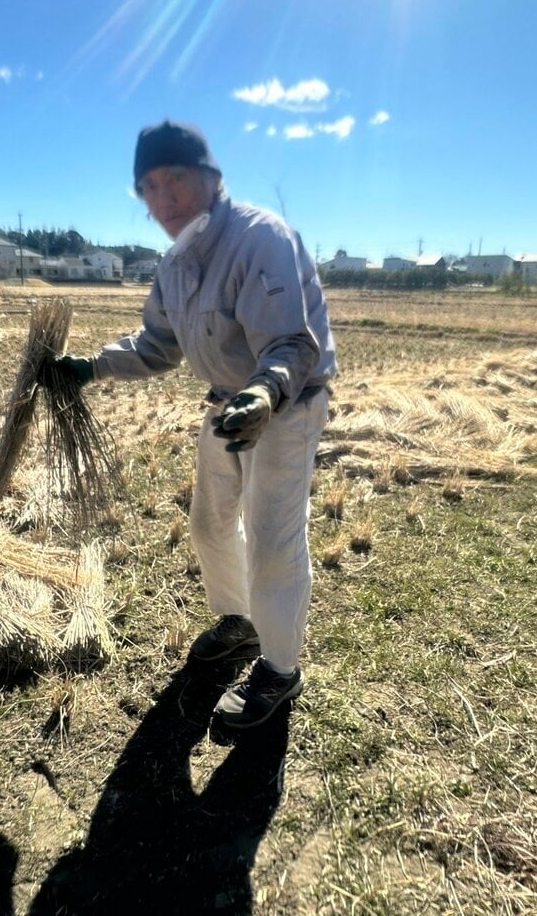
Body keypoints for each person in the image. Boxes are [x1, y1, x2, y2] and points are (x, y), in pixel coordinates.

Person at [55, 120, 337, 728]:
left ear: (212, 179)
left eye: (176, 179)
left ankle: (281, 672)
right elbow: (157, 344)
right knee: (210, 523)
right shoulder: (175, 266)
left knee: (272, 540)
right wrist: (89, 368)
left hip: (285, 405)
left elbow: (292, 341)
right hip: (227, 402)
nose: (165, 199)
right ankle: (239, 623)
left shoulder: (260, 238)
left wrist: (264, 394)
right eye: (149, 187)